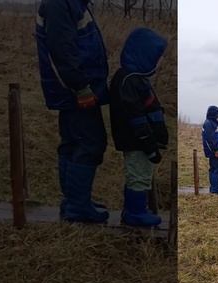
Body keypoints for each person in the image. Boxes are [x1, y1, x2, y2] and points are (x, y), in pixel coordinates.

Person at [35, 0, 110, 223]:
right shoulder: (60, 4)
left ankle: (74, 201)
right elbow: (61, 50)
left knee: (73, 142)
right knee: (90, 142)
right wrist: (81, 87)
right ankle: (77, 207)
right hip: (76, 90)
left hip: (76, 88)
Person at [109, 28, 168, 227]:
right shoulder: (129, 80)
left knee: (140, 174)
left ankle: (135, 209)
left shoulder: (135, 78)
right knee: (139, 176)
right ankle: (135, 212)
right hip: (136, 142)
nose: (158, 63)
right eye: (156, 57)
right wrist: (149, 145)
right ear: (144, 55)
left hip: (140, 141)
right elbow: (135, 118)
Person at [202, 105, 218, 194]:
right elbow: (210, 139)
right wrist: (216, 150)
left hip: (216, 151)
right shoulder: (209, 123)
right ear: (213, 114)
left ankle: (214, 187)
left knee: (213, 168)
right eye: (217, 114)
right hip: (215, 151)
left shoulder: (212, 122)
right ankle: (215, 189)